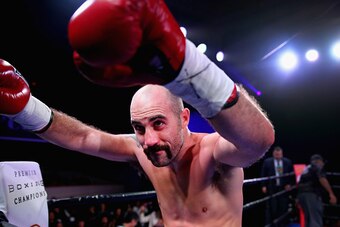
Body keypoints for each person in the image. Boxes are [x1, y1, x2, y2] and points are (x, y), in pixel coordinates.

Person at [0, 0, 275, 226]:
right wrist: (27, 109)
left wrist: (188, 69)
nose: (149, 140)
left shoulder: (213, 154)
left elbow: (258, 141)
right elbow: (83, 138)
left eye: (158, 123)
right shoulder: (141, 151)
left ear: (185, 118)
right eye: (139, 128)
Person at [296, 154, 337, 227]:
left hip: (302, 195)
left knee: (308, 219)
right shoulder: (317, 166)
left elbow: (299, 182)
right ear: (319, 161)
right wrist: (331, 193)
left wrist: (297, 198)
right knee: (315, 218)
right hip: (311, 195)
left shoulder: (306, 168)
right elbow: (322, 179)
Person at [260, 146, 294, 226]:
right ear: (273, 154)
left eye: (279, 153)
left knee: (283, 207)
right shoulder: (267, 162)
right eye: (276, 153)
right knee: (271, 207)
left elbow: (292, 175)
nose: (278, 155)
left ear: (282, 154)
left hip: (283, 187)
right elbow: (263, 174)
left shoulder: (287, 162)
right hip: (271, 187)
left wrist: (289, 184)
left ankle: (282, 224)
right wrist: (263, 185)